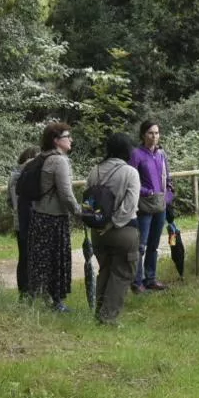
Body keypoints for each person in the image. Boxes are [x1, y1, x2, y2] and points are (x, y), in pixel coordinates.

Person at [85, 132, 142, 324]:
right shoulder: (130, 172)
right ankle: (108, 318)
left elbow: (88, 201)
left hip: (98, 231)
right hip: (123, 231)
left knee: (106, 270)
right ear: (127, 150)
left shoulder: (95, 171)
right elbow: (130, 205)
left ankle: (99, 312)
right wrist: (114, 223)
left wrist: (101, 224)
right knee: (123, 272)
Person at [27, 122, 81, 311]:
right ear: (56, 140)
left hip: (40, 216)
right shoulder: (59, 161)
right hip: (54, 218)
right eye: (68, 136)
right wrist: (79, 212)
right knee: (56, 261)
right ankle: (56, 302)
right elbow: (66, 194)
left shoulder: (42, 157)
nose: (71, 140)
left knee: (41, 260)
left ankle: (40, 298)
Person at [130, 120, 173, 292]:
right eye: (150, 133)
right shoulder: (136, 154)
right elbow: (130, 180)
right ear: (143, 135)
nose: (154, 136)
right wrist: (146, 192)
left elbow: (167, 178)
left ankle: (151, 278)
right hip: (144, 205)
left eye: (156, 133)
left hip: (161, 204)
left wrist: (169, 195)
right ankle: (137, 281)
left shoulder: (161, 154)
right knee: (141, 245)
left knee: (154, 244)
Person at [7, 146, 39, 300]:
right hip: (33, 217)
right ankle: (34, 290)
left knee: (23, 257)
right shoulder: (33, 173)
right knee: (34, 256)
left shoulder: (13, 175)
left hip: (18, 220)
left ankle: (23, 292)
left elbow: (9, 200)